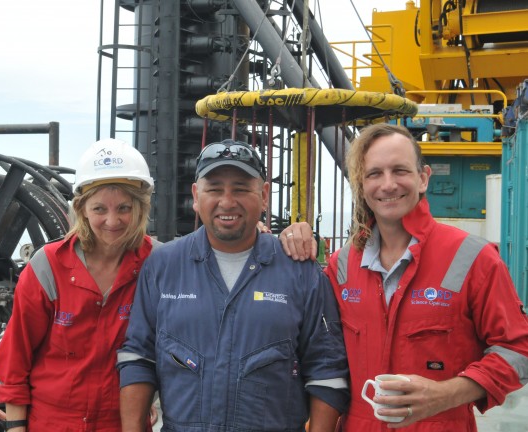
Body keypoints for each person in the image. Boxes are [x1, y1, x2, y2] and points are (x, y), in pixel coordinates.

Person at [280, 123, 528, 431]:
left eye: (400, 171)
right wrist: (277, 240)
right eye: (374, 174)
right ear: (361, 184)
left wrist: (447, 393)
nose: (387, 185)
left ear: (423, 178)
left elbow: (518, 349)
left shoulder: (473, 258)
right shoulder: (341, 266)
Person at [117, 139, 350, 432]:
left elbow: (326, 370)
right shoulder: (162, 267)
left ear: (264, 195)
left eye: (241, 188)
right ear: (195, 196)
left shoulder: (300, 272)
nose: (227, 202)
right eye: (214, 189)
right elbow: (139, 358)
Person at [0, 138, 157, 432]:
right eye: (98, 209)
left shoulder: (156, 262)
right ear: (80, 210)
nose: (112, 220)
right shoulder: (48, 266)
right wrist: (16, 427)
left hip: (123, 422)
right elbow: (15, 359)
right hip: (53, 422)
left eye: (123, 207)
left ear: (140, 208)